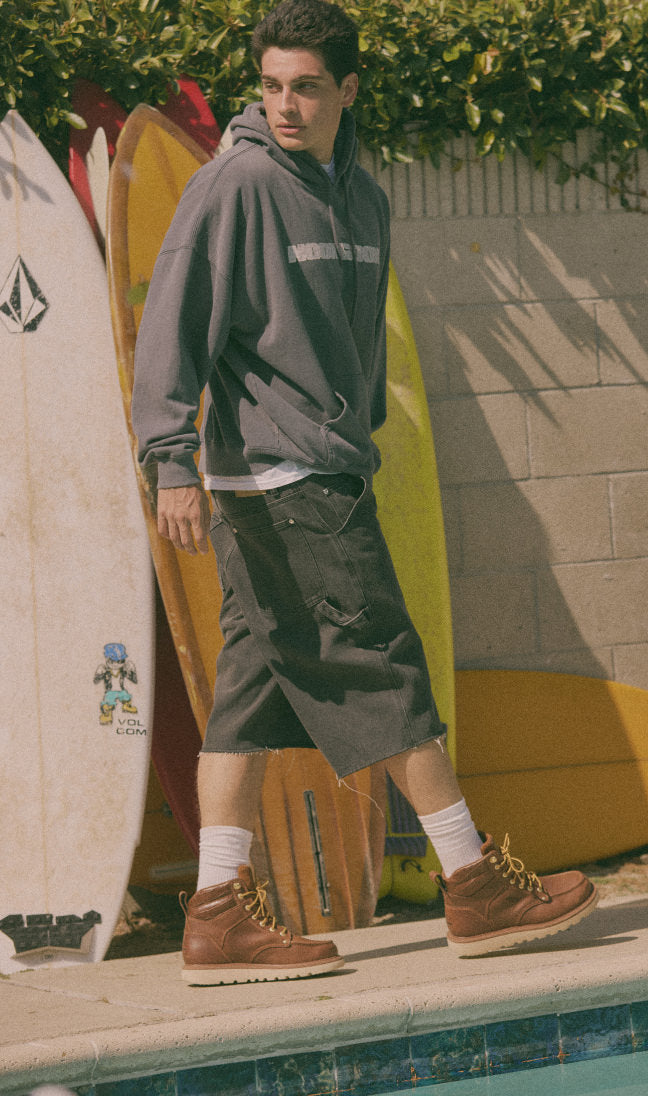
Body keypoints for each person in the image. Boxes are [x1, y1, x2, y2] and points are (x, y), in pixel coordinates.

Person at [131, 0, 598, 986]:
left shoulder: (362, 200)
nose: (285, 105)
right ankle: (472, 880)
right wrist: (170, 459)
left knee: (250, 695)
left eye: (306, 87)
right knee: (386, 667)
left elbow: (351, 344)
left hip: (326, 466)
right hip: (282, 473)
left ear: (347, 89)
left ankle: (216, 913)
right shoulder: (236, 184)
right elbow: (173, 319)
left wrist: (359, 435)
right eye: (271, 86)